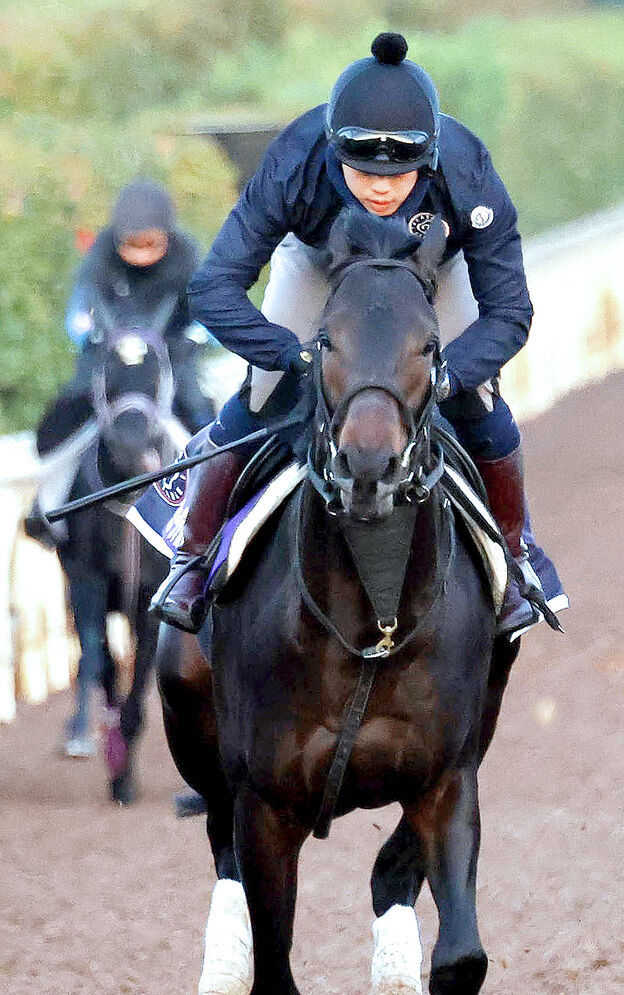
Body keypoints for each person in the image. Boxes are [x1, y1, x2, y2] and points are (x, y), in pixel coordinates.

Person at [153, 33, 568, 637]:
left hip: (432, 276)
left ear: (428, 157)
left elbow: (510, 311)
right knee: (264, 394)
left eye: (400, 173)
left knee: (478, 402)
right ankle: (191, 559)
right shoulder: (294, 163)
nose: (379, 187)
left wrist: (449, 372)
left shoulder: (468, 172)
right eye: (362, 170)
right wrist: (289, 356)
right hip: (321, 266)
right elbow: (213, 287)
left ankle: (515, 558)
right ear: (331, 150)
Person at [35, 179, 214, 459]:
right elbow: (79, 314)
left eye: (150, 243)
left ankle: (212, 464)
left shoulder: (188, 259)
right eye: (132, 243)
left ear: (167, 235)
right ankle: (47, 472)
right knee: (71, 402)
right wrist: (91, 336)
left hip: (171, 356)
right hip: (110, 356)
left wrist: (193, 339)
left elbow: (212, 312)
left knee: (195, 403)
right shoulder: (99, 260)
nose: (141, 252)